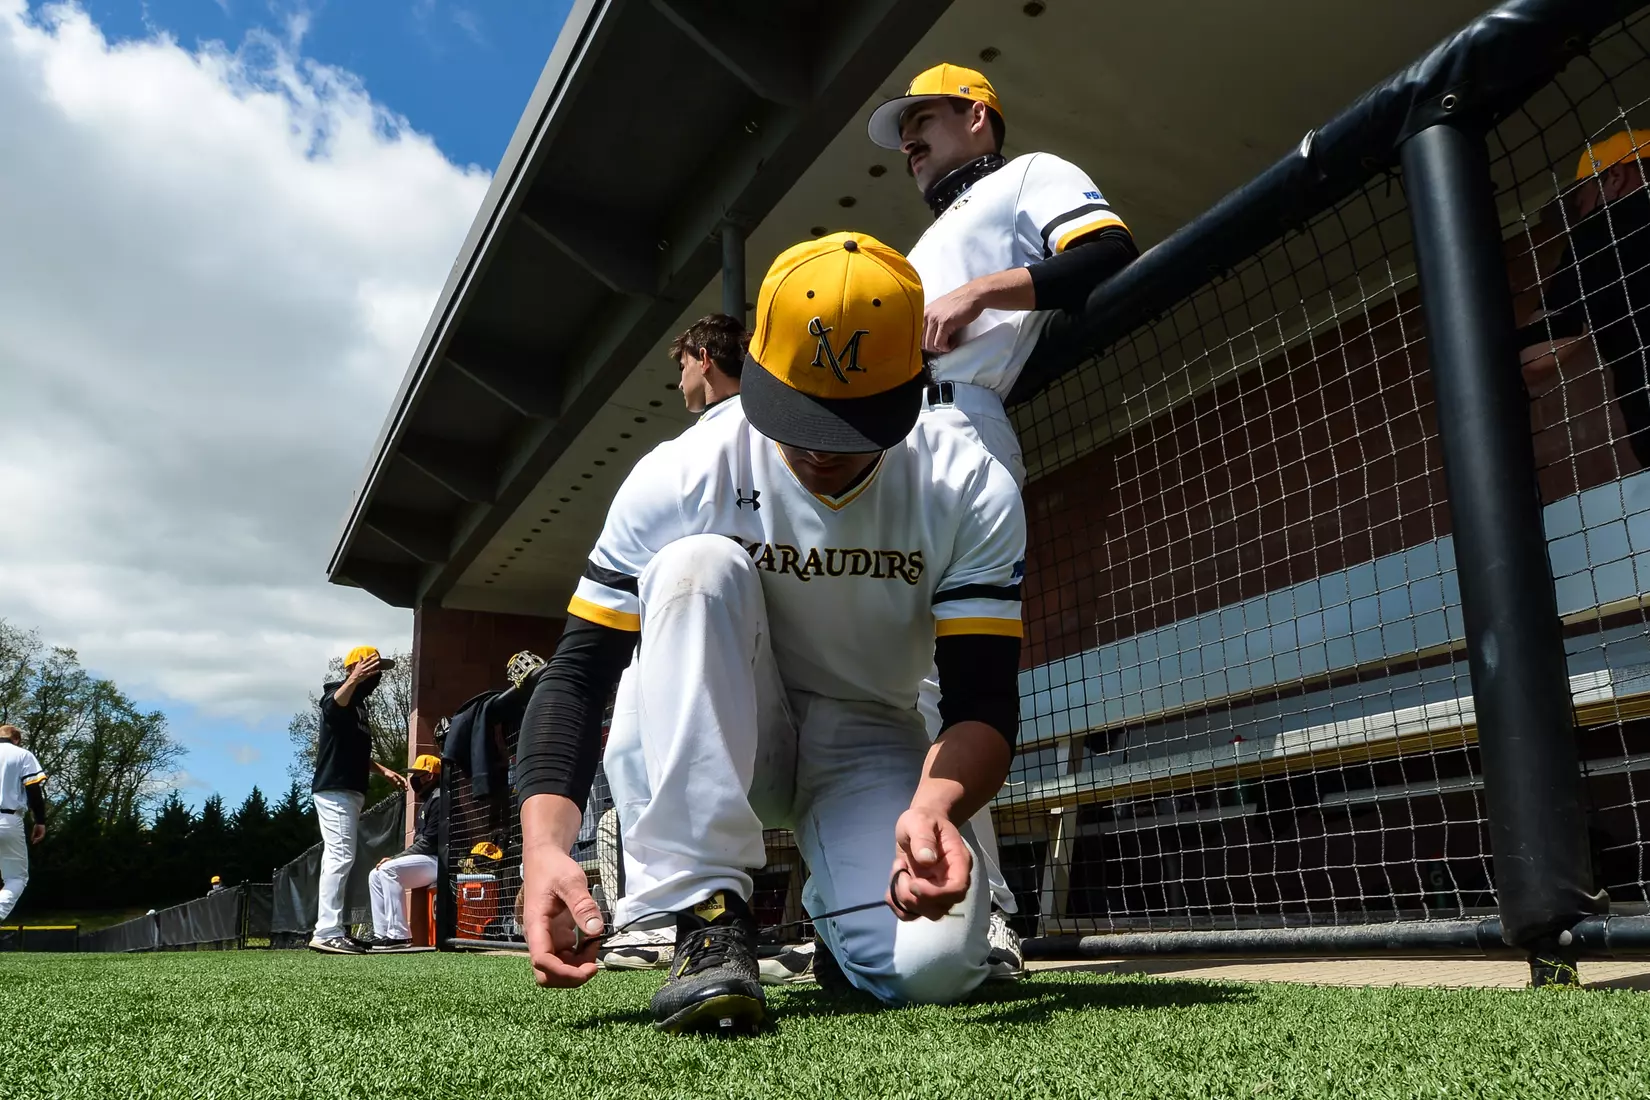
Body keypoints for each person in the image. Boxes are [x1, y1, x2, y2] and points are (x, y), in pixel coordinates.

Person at [516, 231, 1026, 1035]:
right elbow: (579, 672)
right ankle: (708, 916)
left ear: (914, 380)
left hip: (867, 730)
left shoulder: (969, 484)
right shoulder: (681, 471)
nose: (823, 448)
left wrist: (935, 805)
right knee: (695, 566)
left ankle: (833, 912)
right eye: (802, 412)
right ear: (755, 368)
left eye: (853, 420)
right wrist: (544, 846)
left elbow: (983, 703)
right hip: (721, 718)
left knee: (936, 972)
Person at [866, 64, 1138, 972]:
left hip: (963, 425)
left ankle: (989, 917)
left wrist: (985, 292)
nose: (909, 139)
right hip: (891, 443)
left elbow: (1105, 252)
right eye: (903, 129)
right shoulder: (924, 243)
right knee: (902, 691)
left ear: (978, 116)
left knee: (958, 679)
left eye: (925, 119)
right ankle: (913, 901)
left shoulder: (1028, 176)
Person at [1518, 129, 1650, 470]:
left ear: (1615, 176)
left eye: (1583, 198)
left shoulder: (1612, 224)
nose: (1583, 210)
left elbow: (1538, 355)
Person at [309, 645, 408, 954]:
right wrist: (352, 679)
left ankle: (333, 929)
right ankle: (327, 931)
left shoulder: (361, 707)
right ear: (356, 669)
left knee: (339, 857)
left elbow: (356, 750)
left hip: (351, 790)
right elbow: (332, 706)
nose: (377, 676)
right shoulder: (339, 694)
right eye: (372, 669)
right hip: (335, 789)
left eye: (378, 671)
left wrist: (382, 770)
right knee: (339, 857)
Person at [358, 754, 443, 951]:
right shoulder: (430, 799)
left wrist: (396, 858)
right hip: (427, 861)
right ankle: (382, 933)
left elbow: (429, 844)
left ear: (430, 776)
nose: (414, 778)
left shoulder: (439, 799)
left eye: (418, 774)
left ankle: (399, 935)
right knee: (374, 874)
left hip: (439, 862)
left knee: (387, 869)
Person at [0, 726, 47, 922]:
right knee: (16, 878)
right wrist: (40, 821)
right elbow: (33, 790)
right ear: (17, 739)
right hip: (8, 819)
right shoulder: (22, 755)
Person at [669, 313, 745, 414]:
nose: (680, 385)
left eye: (683, 366)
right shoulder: (765, 415)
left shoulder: (703, 429)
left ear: (704, 360)